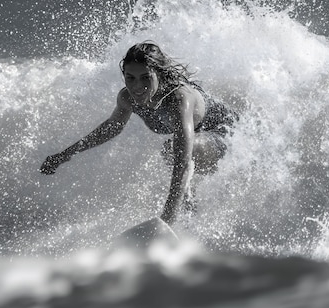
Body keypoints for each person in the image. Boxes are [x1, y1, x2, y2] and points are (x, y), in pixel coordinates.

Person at [39, 42, 237, 225]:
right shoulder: (127, 98)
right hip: (200, 139)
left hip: (227, 131)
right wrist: (64, 155)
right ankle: (191, 219)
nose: (136, 86)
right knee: (177, 155)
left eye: (146, 78)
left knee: (174, 151)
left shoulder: (178, 100)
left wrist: (166, 221)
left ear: (159, 75)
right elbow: (112, 127)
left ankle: (181, 220)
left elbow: (182, 162)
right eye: (130, 78)